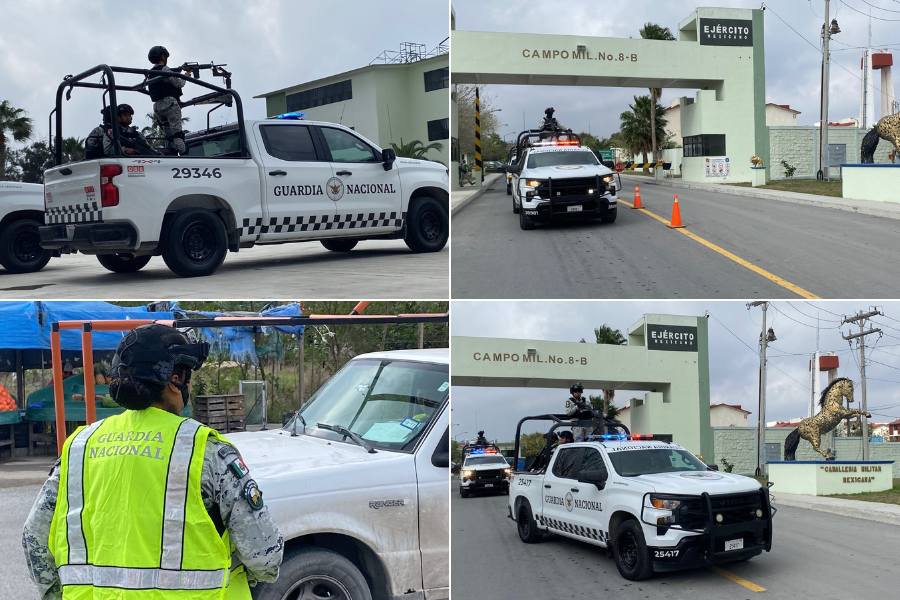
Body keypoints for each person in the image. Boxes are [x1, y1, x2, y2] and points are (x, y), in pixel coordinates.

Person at [22, 324, 283, 600]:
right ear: (175, 380)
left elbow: (34, 538)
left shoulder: (79, 447)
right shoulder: (205, 451)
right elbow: (265, 558)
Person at [147, 45, 187, 155]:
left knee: (169, 135)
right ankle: (185, 155)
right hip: (169, 104)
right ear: (163, 56)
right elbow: (178, 84)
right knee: (178, 134)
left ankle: (172, 154)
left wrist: (178, 71)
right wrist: (187, 75)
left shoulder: (150, 72)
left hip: (158, 107)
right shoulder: (165, 69)